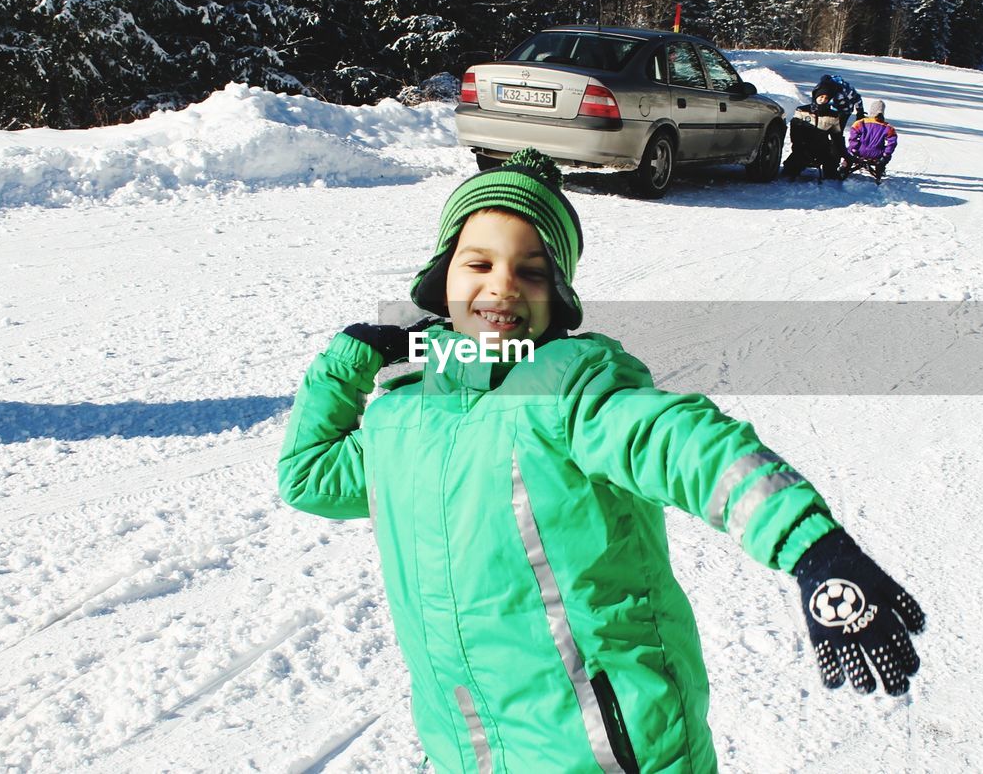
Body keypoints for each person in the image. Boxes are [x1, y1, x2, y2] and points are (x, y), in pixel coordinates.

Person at [278, 148, 926, 772]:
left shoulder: (570, 390)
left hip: (611, 753)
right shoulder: (404, 415)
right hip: (466, 755)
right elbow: (309, 477)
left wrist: (811, 545)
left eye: (531, 271)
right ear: (440, 278)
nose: (502, 285)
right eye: (478, 263)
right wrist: (347, 362)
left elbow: (680, 442)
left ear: (556, 295)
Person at [781, 85, 846, 181]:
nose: (823, 100)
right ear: (816, 97)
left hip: (822, 147)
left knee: (833, 152)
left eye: (826, 98)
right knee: (790, 170)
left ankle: (831, 172)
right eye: (821, 97)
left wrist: (844, 153)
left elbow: (837, 135)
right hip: (804, 146)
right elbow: (795, 132)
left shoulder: (833, 115)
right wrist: (799, 146)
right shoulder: (802, 110)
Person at [841, 99, 898, 182]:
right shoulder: (888, 127)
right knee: (887, 156)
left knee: (847, 151)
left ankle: (845, 166)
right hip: (877, 154)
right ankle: (880, 168)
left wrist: (854, 147)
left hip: (859, 151)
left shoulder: (861, 122)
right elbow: (892, 142)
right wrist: (886, 153)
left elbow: (853, 134)